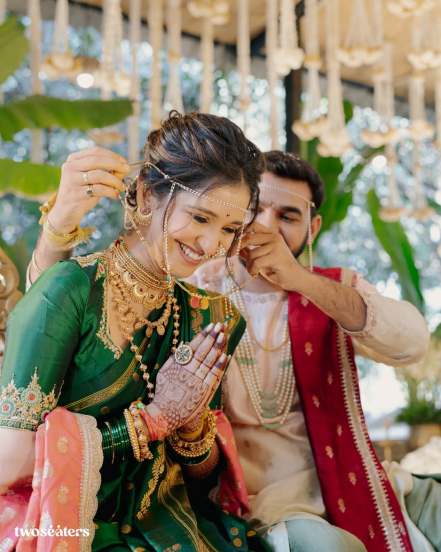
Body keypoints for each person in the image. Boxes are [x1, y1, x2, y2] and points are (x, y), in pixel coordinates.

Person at [28, 148, 440, 552]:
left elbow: (411, 344)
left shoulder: (330, 291)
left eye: (288, 217)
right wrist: (59, 226)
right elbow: (52, 321)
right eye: (254, 210)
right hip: (249, 504)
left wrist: (299, 279)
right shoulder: (194, 289)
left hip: (356, 481)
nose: (266, 226)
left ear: (312, 230)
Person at [0, 111, 271, 551]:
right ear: (146, 195)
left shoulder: (209, 316)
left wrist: (189, 429)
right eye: (200, 218)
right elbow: (8, 463)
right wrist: (154, 419)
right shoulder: (69, 290)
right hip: (63, 527)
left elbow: (203, 483)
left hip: (169, 528)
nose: (211, 245)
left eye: (230, 229)